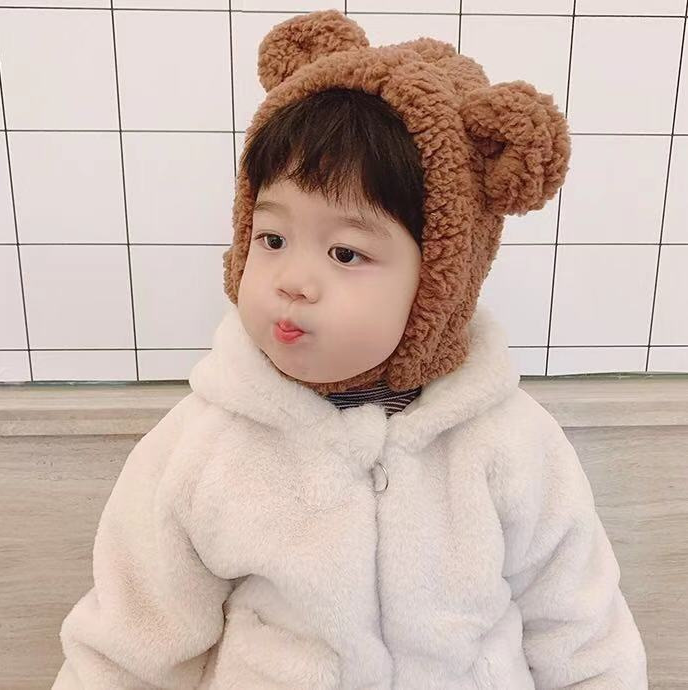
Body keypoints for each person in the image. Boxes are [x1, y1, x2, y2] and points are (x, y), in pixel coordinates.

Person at [52, 9, 648, 689]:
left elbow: (583, 633)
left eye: (345, 252)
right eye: (272, 239)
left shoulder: (509, 444)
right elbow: (128, 645)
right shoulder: (205, 444)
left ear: (441, 278)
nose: (293, 281)